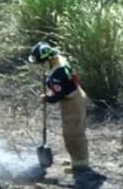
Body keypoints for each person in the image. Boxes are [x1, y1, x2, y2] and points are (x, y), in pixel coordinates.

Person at [29, 42, 90, 174]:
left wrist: (47, 98)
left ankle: (80, 163)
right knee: (72, 131)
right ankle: (76, 158)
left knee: (73, 133)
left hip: (73, 101)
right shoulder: (58, 61)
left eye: (42, 63)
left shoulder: (58, 73)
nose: (41, 66)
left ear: (49, 59)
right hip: (72, 99)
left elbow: (60, 94)